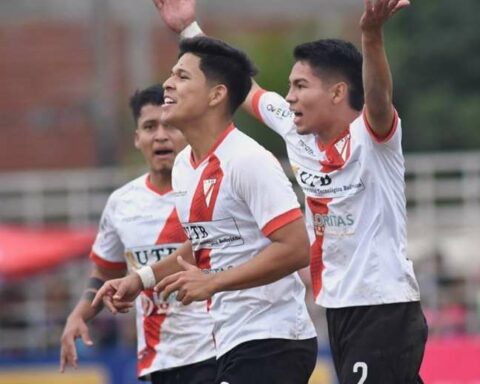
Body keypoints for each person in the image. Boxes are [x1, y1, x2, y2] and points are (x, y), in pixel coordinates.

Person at [155, 0, 428, 383]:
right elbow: (239, 86)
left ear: (337, 93)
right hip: (337, 308)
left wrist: (371, 35)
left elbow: (379, 97)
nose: (289, 98)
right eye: (289, 87)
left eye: (300, 86)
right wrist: (188, 29)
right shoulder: (295, 131)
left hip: (382, 305)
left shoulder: (373, 140)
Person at [93, 35, 318, 384]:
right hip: (230, 341)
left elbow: (296, 248)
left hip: (274, 340)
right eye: (171, 74)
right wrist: (141, 280)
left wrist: (212, 282)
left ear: (216, 95)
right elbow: (203, 246)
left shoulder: (248, 160)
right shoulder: (185, 166)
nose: (168, 83)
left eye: (182, 77)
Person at [59, 84, 217, 384]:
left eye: (170, 125)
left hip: (217, 348)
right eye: (149, 126)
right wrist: (78, 315)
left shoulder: (209, 190)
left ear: (187, 131)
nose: (160, 135)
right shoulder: (122, 202)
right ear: (137, 138)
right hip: (159, 359)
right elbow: (105, 272)